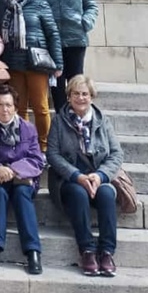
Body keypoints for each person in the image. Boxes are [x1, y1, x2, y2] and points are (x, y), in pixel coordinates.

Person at [47, 74, 124, 278]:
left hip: (98, 175)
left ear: (91, 96)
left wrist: (99, 176)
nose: (80, 98)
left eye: (85, 94)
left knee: (107, 195)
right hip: (69, 178)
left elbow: (116, 154)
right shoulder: (58, 121)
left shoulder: (102, 121)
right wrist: (78, 176)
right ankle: (87, 250)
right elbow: (52, 155)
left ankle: (107, 252)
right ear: (69, 97)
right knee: (78, 195)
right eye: (76, 94)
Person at [0, 84, 45, 275]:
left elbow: (37, 160)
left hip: (22, 179)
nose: (4, 109)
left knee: (22, 194)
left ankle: (33, 251)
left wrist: (12, 170)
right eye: (0, 105)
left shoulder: (28, 129)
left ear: (15, 107)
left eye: (8, 105)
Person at [0, 0, 62, 151]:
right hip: (14, 63)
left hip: (36, 63)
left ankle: (44, 146)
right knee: (18, 108)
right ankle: (24, 144)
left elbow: (52, 34)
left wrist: (58, 63)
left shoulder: (40, 5)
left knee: (41, 107)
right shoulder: (6, 7)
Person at [35, 0, 98, 112]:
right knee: (56, 82)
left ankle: (77, 116)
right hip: (50, 40)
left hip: (75, 38)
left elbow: (91, 5)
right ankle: (62, 118)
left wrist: (85, 22)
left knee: (76, 81)